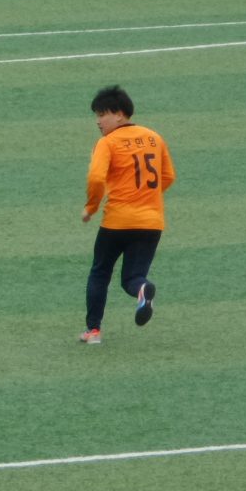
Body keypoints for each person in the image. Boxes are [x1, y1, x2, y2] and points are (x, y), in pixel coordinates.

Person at [81, 85, 174, 344]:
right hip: (151, 222)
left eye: (103, 114)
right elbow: (168, 176)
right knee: (133, 278)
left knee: (100, 272)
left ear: (120, 115)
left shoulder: (107, 143)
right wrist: (145, 196)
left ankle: (93, 331)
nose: (98, 121)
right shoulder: (154, 138)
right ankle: (143, 290)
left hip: (117, 221)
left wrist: (91, 207)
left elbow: (96, 178)